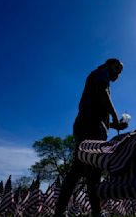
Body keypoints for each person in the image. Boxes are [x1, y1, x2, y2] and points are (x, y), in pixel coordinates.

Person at [54, 58, 128, 217]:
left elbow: (99, 110)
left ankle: (60, 211)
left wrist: (115, 125)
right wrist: (115, 115)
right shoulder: (102, 73)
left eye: (121, 71)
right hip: (91, 125)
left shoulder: (99, 76)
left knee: (77, 169)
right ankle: (96, 212)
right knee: (94, 169)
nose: (118, 73)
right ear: (109, 65)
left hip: (89, 123)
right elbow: (102, 91)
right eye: (117, 68)